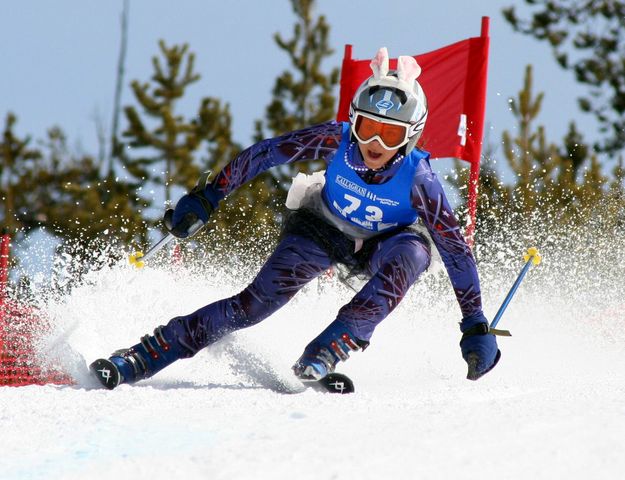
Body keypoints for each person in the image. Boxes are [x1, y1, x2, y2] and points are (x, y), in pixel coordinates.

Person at [90, 47, 500, 390]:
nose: (374, 143)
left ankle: (333, 344)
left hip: (387, 241)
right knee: (251, 306)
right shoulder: (335, 139)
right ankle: (144, 355)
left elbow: (455, 250)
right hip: (320, 228)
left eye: (389, 135)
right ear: (353, 121)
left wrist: (475, 322)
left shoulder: (420, 180)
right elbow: (268, 152)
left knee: (414, 255)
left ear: (410, 136)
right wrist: (212, 194)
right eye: (367, 127)